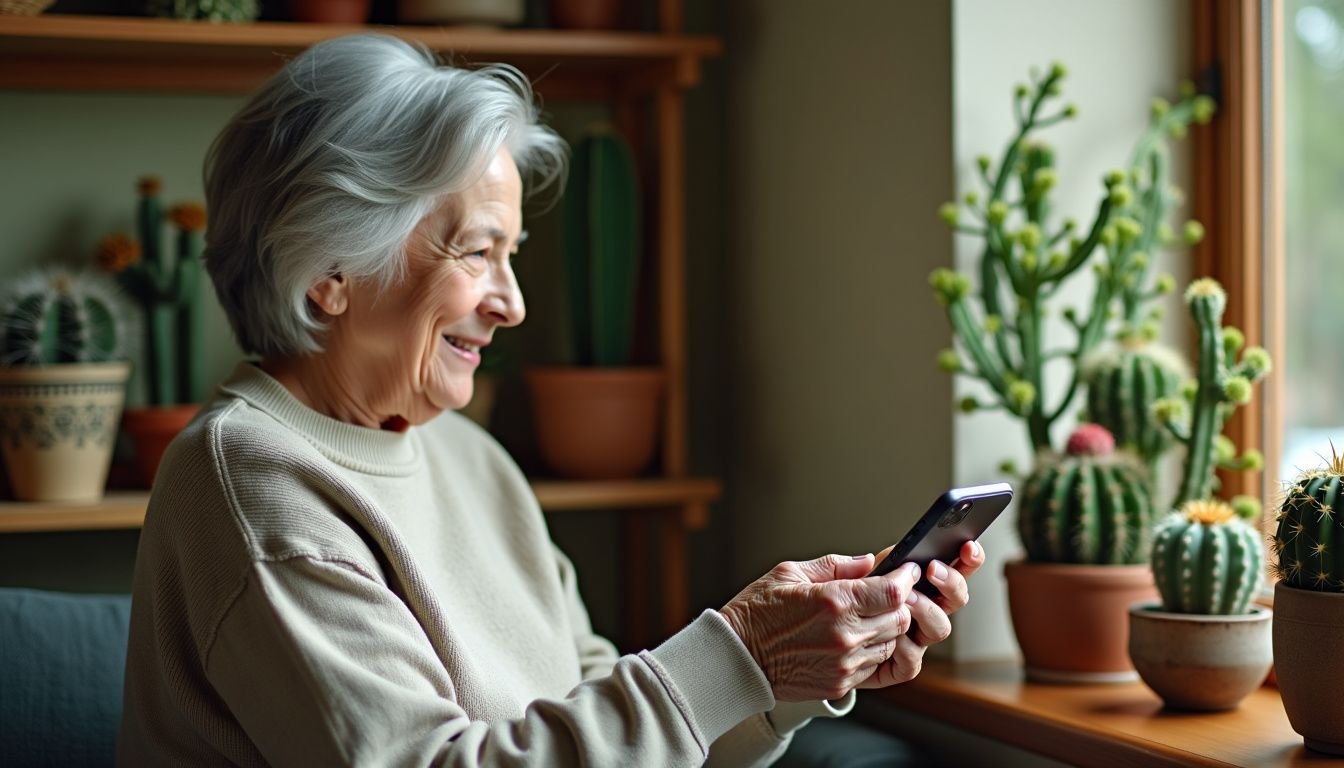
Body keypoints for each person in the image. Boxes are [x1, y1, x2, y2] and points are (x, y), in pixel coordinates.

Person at [117, 33, 985, 767]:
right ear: (329, 273)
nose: (513, 303)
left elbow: (611, 731)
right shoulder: (249, 482)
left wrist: (788, 678)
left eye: (514, 252)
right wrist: (741, 652)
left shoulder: (470, 456)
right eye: (476, 252)